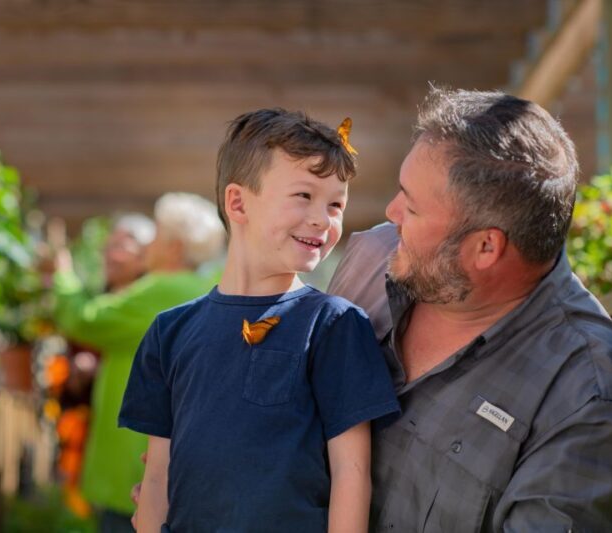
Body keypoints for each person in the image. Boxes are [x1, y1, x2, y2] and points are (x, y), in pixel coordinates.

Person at [327, 87, 612, 531]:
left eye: (414, 208)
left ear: (486, 247)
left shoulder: (588, 396)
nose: (392, 212)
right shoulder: (372, 258)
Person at [118, 109, 400, 533]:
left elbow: (351, 473)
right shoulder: (170, 332)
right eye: (303, 196)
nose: (324, 219)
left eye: (336, 204)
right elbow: (159, 474)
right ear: (238, 202)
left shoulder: (335, 326)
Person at [53, 194, 225, 532]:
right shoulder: (207, 287)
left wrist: (63, 274)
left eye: (157, 235)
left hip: (138, 459)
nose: (149, 245)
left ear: (175, 247)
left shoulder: (160, 290)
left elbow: (83, 320)